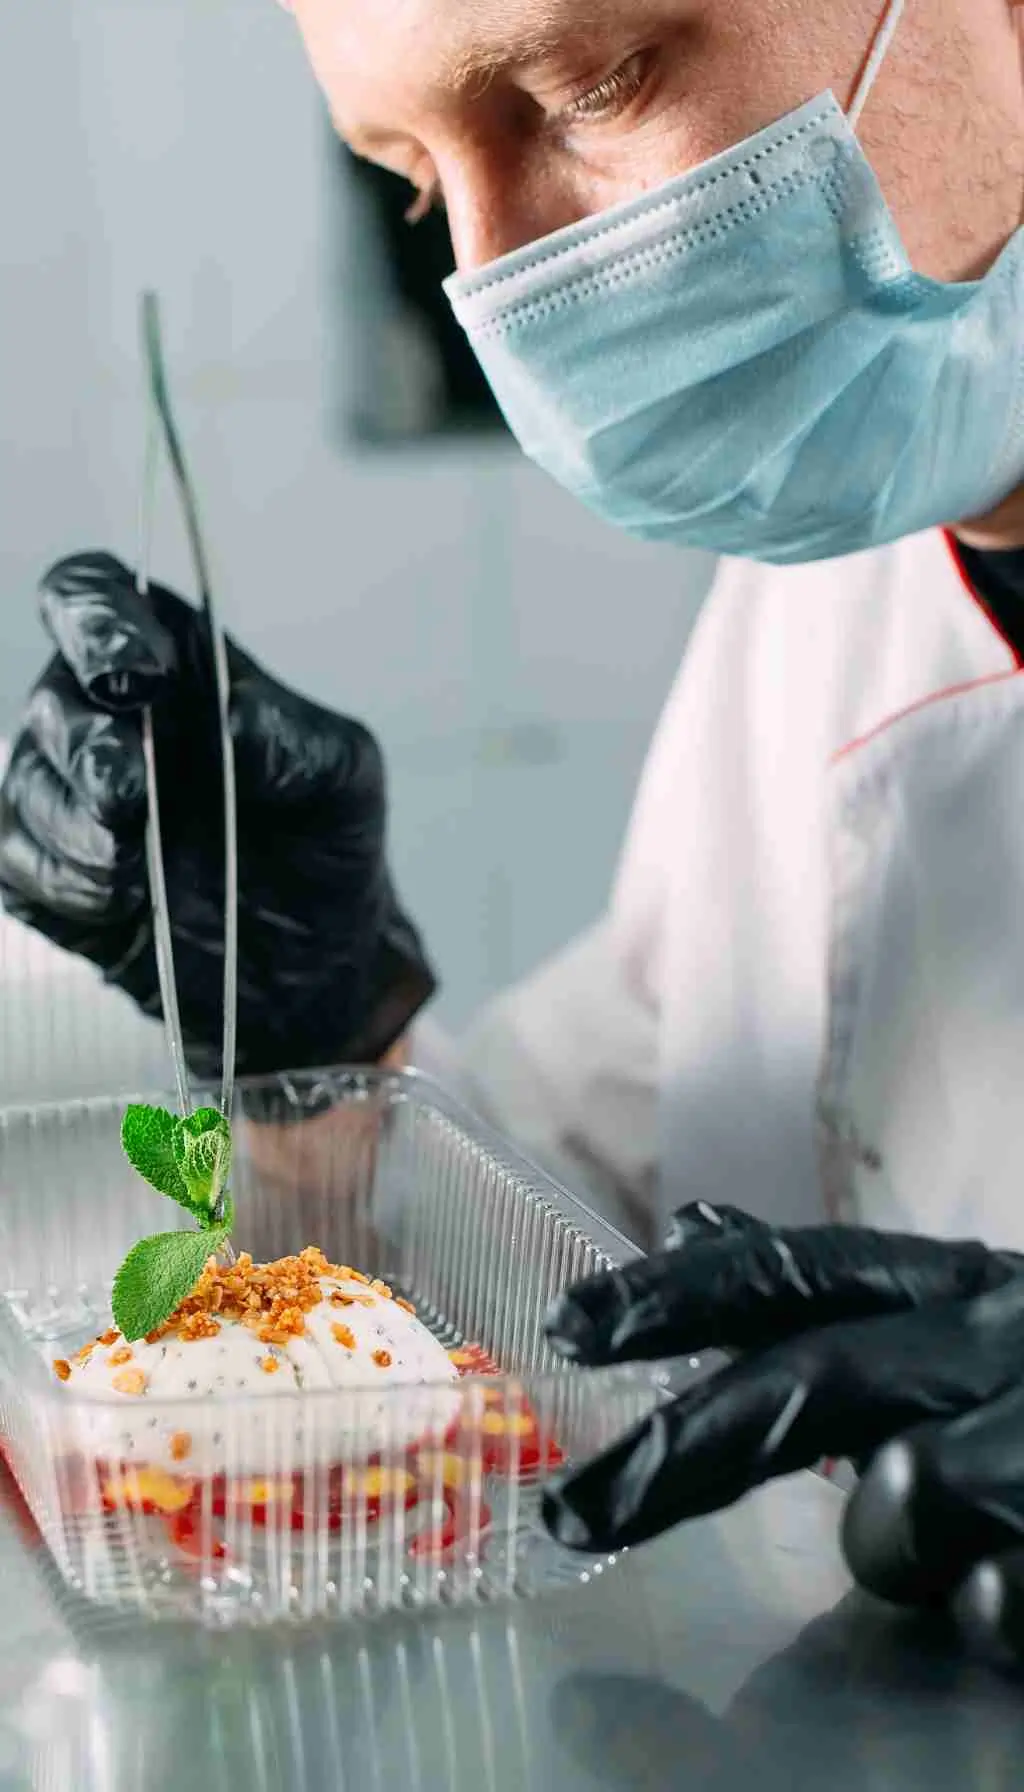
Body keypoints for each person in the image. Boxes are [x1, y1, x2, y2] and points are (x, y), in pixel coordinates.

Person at [4, 0, 1024, 1631]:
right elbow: (599, 1269)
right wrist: (328, 1042)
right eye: (414, 183)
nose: (502, 283)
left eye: (593, 83)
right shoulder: (830, 598)